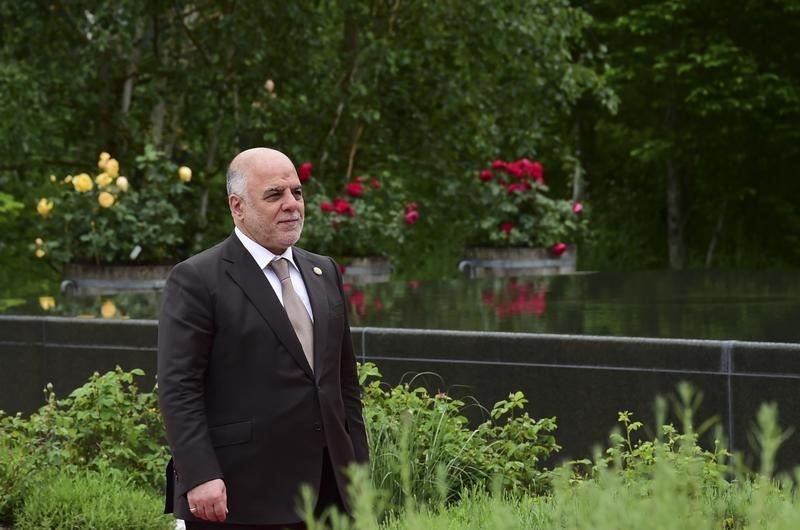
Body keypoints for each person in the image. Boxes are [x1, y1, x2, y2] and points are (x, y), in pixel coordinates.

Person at [157, 147, 369, 529]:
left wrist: (358, 469)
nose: (291, 205)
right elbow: (179, 388)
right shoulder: (197, 280)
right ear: (237, 207)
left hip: (330, 492)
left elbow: (343, 385)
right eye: (275, 195)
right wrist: (200, 474)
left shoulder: (324, 272)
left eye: (297, 193)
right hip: (242, 495)